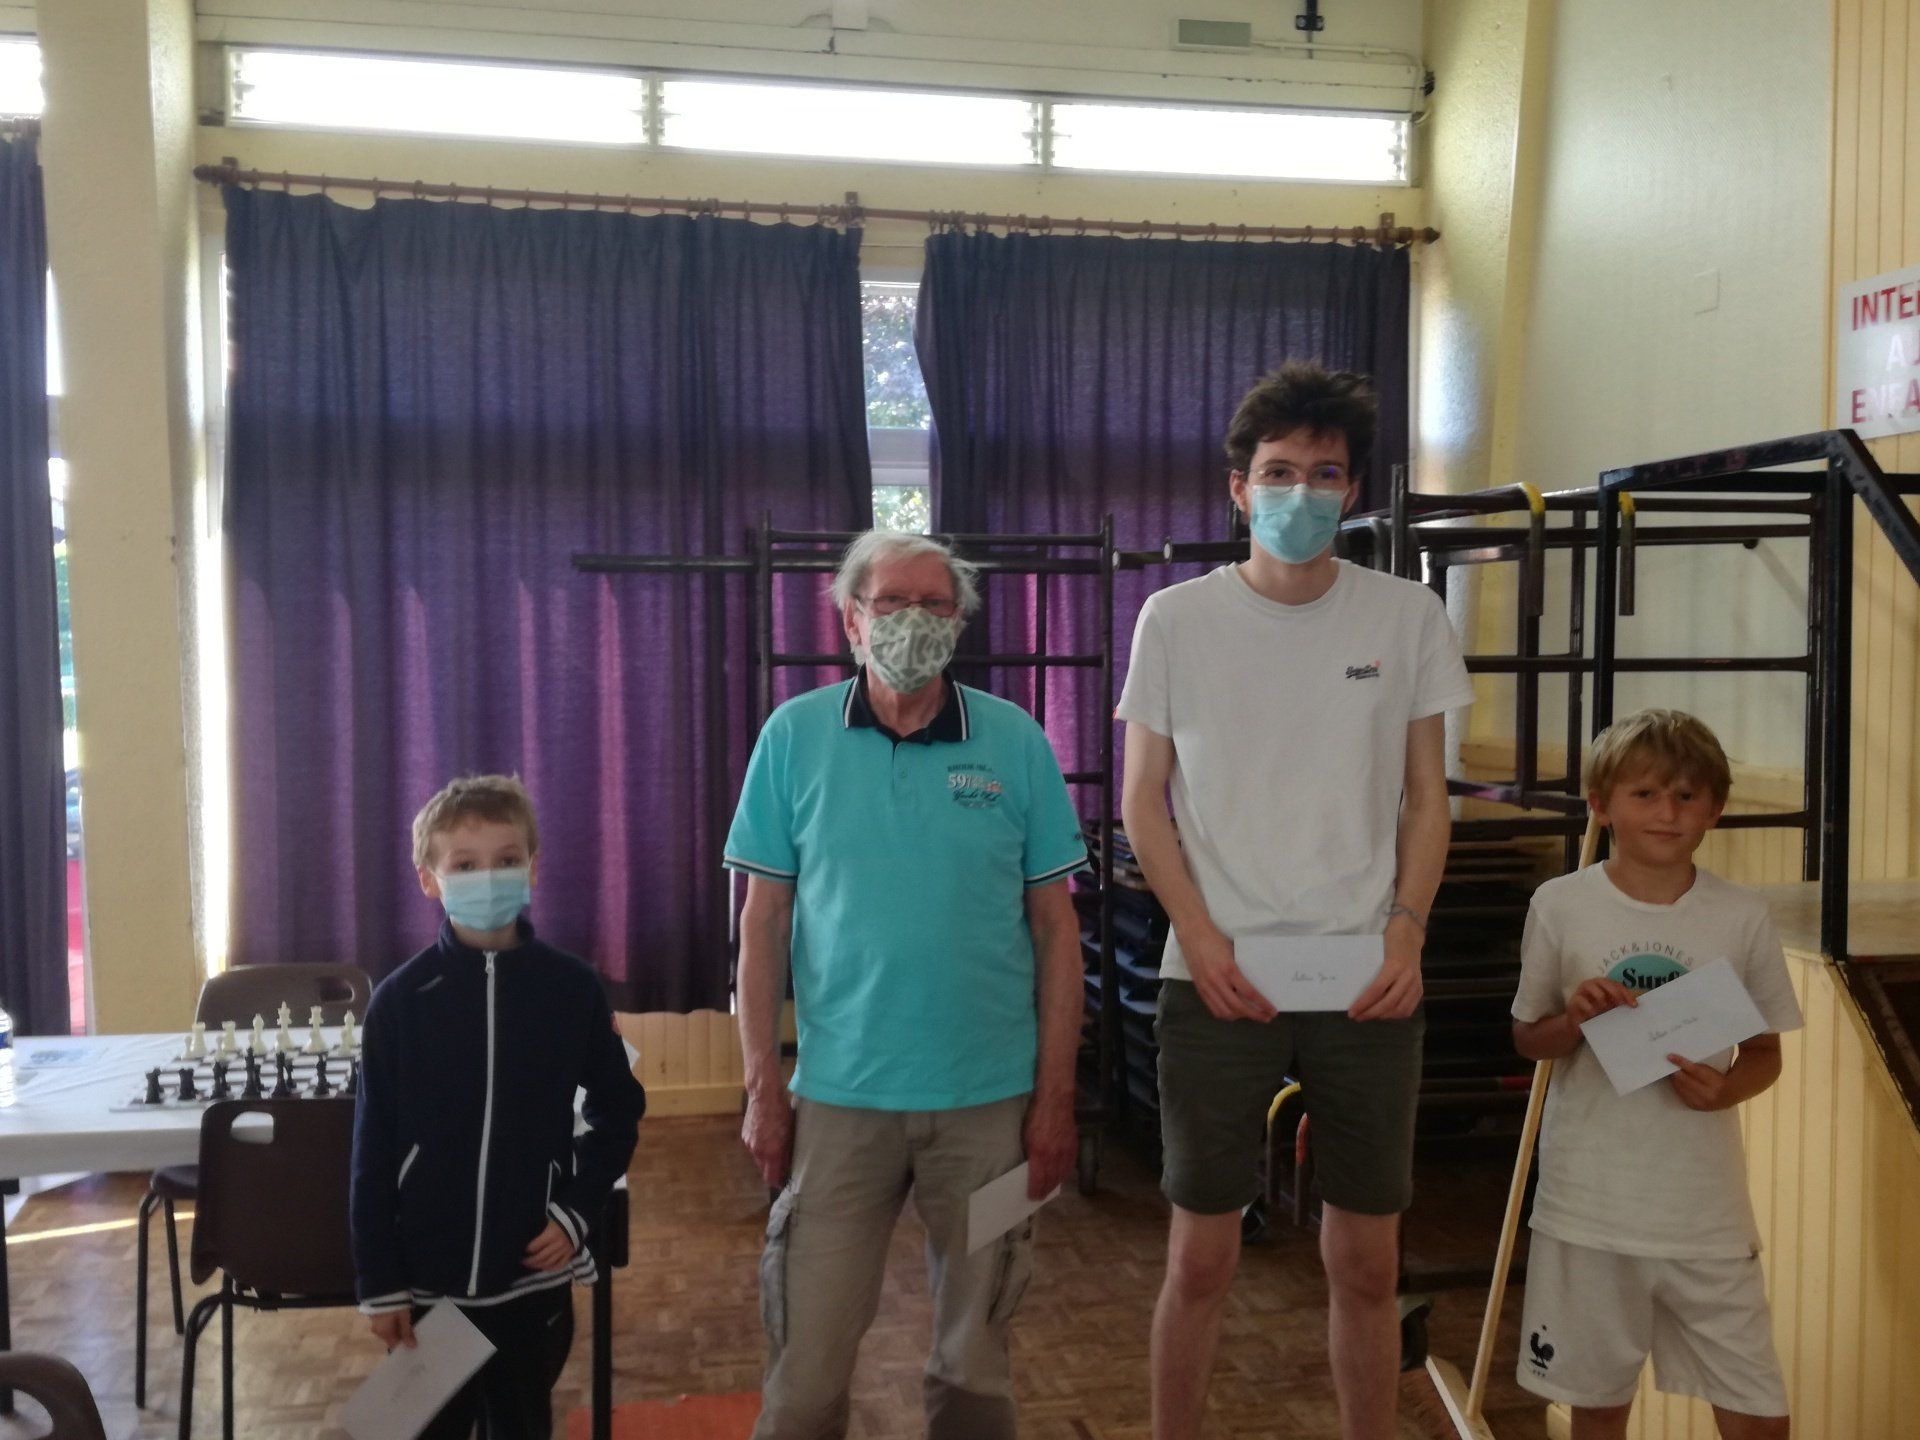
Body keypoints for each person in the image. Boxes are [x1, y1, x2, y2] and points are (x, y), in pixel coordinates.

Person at [1118, 362, 1473, 1440]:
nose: (1300, 492)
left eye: (1324, 473)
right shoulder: (1176, 619)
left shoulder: (1407, 616)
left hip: (1369, 972)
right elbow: (1142, 801)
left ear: (1352, 489)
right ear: (1239, 488)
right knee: (1201, 1257)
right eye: (1278, 472)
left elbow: (1427, 798)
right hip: (1216, 972)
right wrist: (1198, 935)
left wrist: (1407, 932)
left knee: (1367, 1263)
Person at [725, 529, 1089, 1440]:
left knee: (975, 1367)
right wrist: (762, 1087)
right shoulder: (793, 737)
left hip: (988, 1108)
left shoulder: (1016, 742)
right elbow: (762, 926)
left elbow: (1057, 933)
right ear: (851, 620)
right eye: (891, 601)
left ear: (960, 623)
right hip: (839, 1103)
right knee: (805, 1371)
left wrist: (1055, 1098)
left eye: (934, 603)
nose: (912, 619)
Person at [1511, 710, 1800, 1440]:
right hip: (1589, 1207)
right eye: (1645, 794)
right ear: (1600, 805)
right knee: (1598, 1408)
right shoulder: (1561, 905)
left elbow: (1765, 1051)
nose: (1667, 813)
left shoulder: (1741, 914)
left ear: (1715, 809)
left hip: (1705, 1214)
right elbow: (1528, 1039)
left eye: (1686, 796)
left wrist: (1725, 1089)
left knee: (1761, 1416)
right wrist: (1575, 1020)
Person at [350, 774, 647, 1440]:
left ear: (534, 868)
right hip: (429, 1285)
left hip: (531, 1280)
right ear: (429, 879)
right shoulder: (400, 1003)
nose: (488, 877)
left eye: (507, 859)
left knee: (521, 1427)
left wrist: (576, 1211)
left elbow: (618, 1110)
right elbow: (371, 1152)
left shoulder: (570, 989)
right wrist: (380, 1282)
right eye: (465, 864)